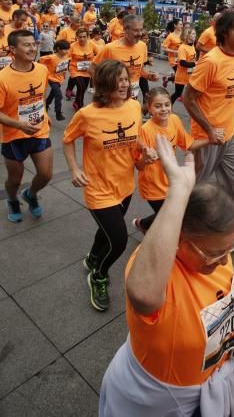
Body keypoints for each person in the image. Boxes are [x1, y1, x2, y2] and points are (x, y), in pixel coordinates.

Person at [99, 135, 234, 417]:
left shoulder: (213, 251)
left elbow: (224, 270)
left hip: (212, 381)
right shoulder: (157, 270)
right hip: (162, 402)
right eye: (215, 253)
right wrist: (179, 190)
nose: (224, 258)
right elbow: (143, 296)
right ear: (180, 238)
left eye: (231, 247)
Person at [63, 60, 145, 311]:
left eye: (125, 78)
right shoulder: (87, 114)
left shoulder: (134, 106)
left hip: (124, 185)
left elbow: (135, 141)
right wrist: (75, 169)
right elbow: (67, 140)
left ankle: (92, 257)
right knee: (119, 240)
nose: (124, 83)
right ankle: (98, 274)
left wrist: (144, 155)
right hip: (98, 189)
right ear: (104, 83)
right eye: (118, 79)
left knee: (107, 231)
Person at [184, 11, 234, 203]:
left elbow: (226, 81)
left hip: (230, 132)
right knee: (195, 187)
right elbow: (188, 98)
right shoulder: (211, 61)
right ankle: (162, 222)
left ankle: (226, 227)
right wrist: (209, 130)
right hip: (208, 136)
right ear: (224, 33)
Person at [132, 87, 209, 233]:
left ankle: (144, 224)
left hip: (170, 180)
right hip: (152, 184)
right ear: (149, 108)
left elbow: (189, 143)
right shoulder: (145, 131)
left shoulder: (174, 120)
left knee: (169, 214)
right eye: (158, 106)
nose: (164, 109)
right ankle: (155, 244)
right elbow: (138, 166)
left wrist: (211, 139)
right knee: (171, 217)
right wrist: (146, 159)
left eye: (167, 105)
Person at [0, 30, 53, 223]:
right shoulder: (3, 78)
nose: (32, 48)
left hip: (39, 130)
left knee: (46, 174)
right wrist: (19, 124)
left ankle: (30, 194)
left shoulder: (42, 69)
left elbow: (39, 96)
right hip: (13, 136)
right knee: (15, 179)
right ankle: (13, 199)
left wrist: (44, 115)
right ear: (13, 49)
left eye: (34, 44)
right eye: (27, 45)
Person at [93, 14, 159, 100]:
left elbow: (138, 69)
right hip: (113, 98)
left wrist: (148, 76)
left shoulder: (143, 46)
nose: (139, 34)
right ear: (125, 29)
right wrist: (102, 88)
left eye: (141, 30)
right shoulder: (110, 48)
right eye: (135, 30)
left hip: (132, 96)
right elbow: (92, 68)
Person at [40, 39, 70, 121]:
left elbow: (64, 66)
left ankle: (47, 103)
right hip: (51, 78)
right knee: (59, 94)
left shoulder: (66, 56)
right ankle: (58, 113)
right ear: (58, 49)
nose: (67, 51)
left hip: (59, 79)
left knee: (53, 94)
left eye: (68, 49)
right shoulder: (51, 57)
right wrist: (44, 69)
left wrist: (64, 74)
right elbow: (41, 59)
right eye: (65, 49)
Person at [171, 24, 197, 105]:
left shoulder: (192, 45)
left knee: (193, 94)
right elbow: (182, 63)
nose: (195, 35)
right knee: (177, 94)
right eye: (193, 34)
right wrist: (195, 63)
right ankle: (169, 104)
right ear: (187, 35)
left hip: (190, 76)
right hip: (181, 76)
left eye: (195, 33)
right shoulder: (182, 48)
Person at [161, 18, 182, 88]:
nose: (182, 26)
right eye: (180, 24)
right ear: (175, 25)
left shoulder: (183, 34)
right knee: (180, 75)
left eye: (182, 24)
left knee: (182, 75)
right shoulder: (171, 36)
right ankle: (178, 92)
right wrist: (175, 51)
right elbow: (163, 48)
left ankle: (167, 79)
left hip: (183, 58)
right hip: (174, 59)